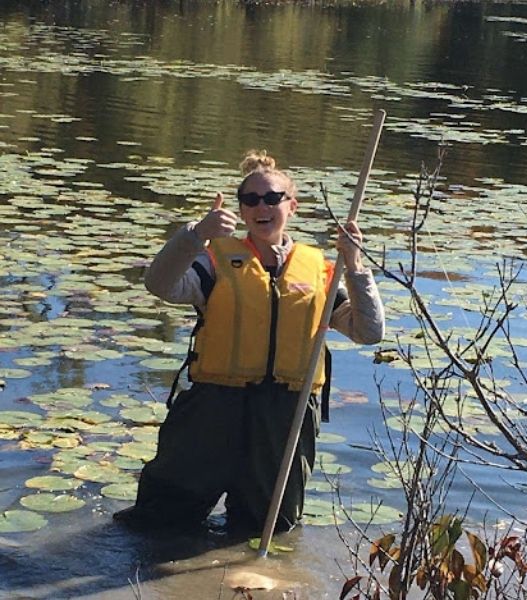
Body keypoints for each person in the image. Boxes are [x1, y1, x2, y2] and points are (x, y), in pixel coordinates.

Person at [114, 150, 385, 532]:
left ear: (292, 206)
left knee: (270, 528)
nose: (262, 206)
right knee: (162, 520)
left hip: (283, 414)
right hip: (213, 407)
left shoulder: (321, 269)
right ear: (241, 210)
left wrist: (356, 266)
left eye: (273, 198)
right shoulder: (213, 260)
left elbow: (369, 332)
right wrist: (195, 235)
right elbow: (159, 284)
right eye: (251, 200)